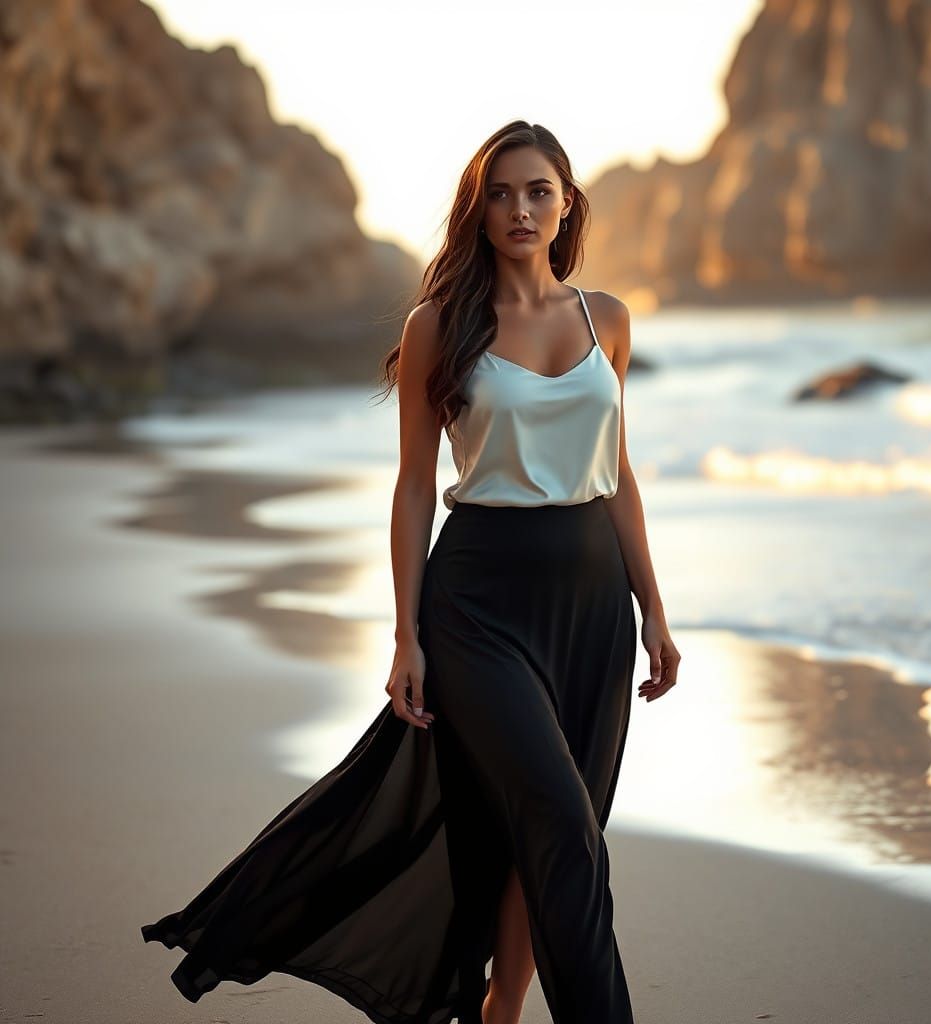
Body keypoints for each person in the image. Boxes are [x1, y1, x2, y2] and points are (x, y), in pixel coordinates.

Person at [141, 119, 680, 1024]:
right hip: (477, 602)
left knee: (558, 836)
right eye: (501, 192)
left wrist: (654, 609)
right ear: (478, 208)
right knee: (559, 823)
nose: (520, 208)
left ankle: (500, 1008)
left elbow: (617, 472)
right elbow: (414, 485)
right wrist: (406, 633)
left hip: (591, 603)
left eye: (538, 191)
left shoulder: (608, 321)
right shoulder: (440, 326)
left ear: (567, 204)